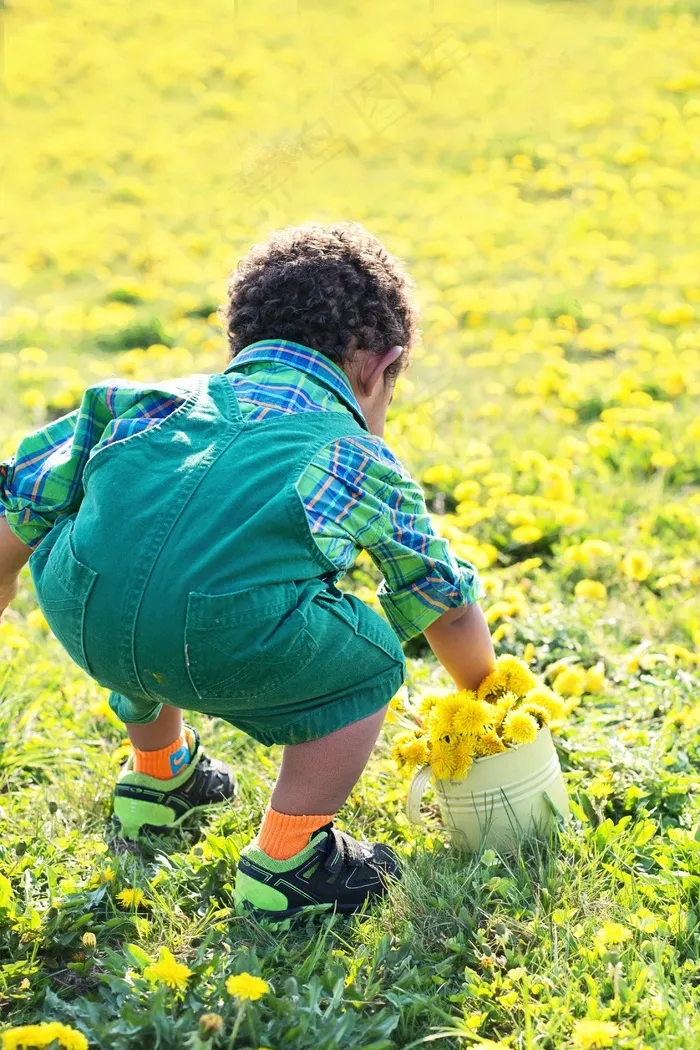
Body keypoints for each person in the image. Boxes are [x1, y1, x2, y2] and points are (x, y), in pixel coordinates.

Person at [0, 222, 494, 918]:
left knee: (141, 565)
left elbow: (24, 499)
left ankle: (159, 780)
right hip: (221, 641)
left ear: (242, 341)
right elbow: (441, 599)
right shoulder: (353, 455)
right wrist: (484, 697)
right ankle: (290, 859)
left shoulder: (141, 401)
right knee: (373, 659)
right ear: (381, 368)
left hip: (85, 616)